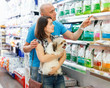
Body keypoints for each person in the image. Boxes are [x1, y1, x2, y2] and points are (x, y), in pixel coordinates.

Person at [23, 3, 93, 81]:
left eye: (54, 10)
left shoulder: (57, 24)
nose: (55, 13)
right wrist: (30, 46)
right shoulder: (34, 28)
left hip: (54, 64)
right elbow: (25, 48)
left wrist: (82, 26)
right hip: (37, 66)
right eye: (51, 12)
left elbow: (73, 37)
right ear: (42, 15)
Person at [35, 16, 66, 88]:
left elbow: (64, 55)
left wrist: (56, 68)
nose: (53, 25)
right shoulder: (38, 41)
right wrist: (58, 55)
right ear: (44, 27)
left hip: (58, 74)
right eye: (51, 24)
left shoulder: (57, 38)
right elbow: (42, 59)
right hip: (45, 76)